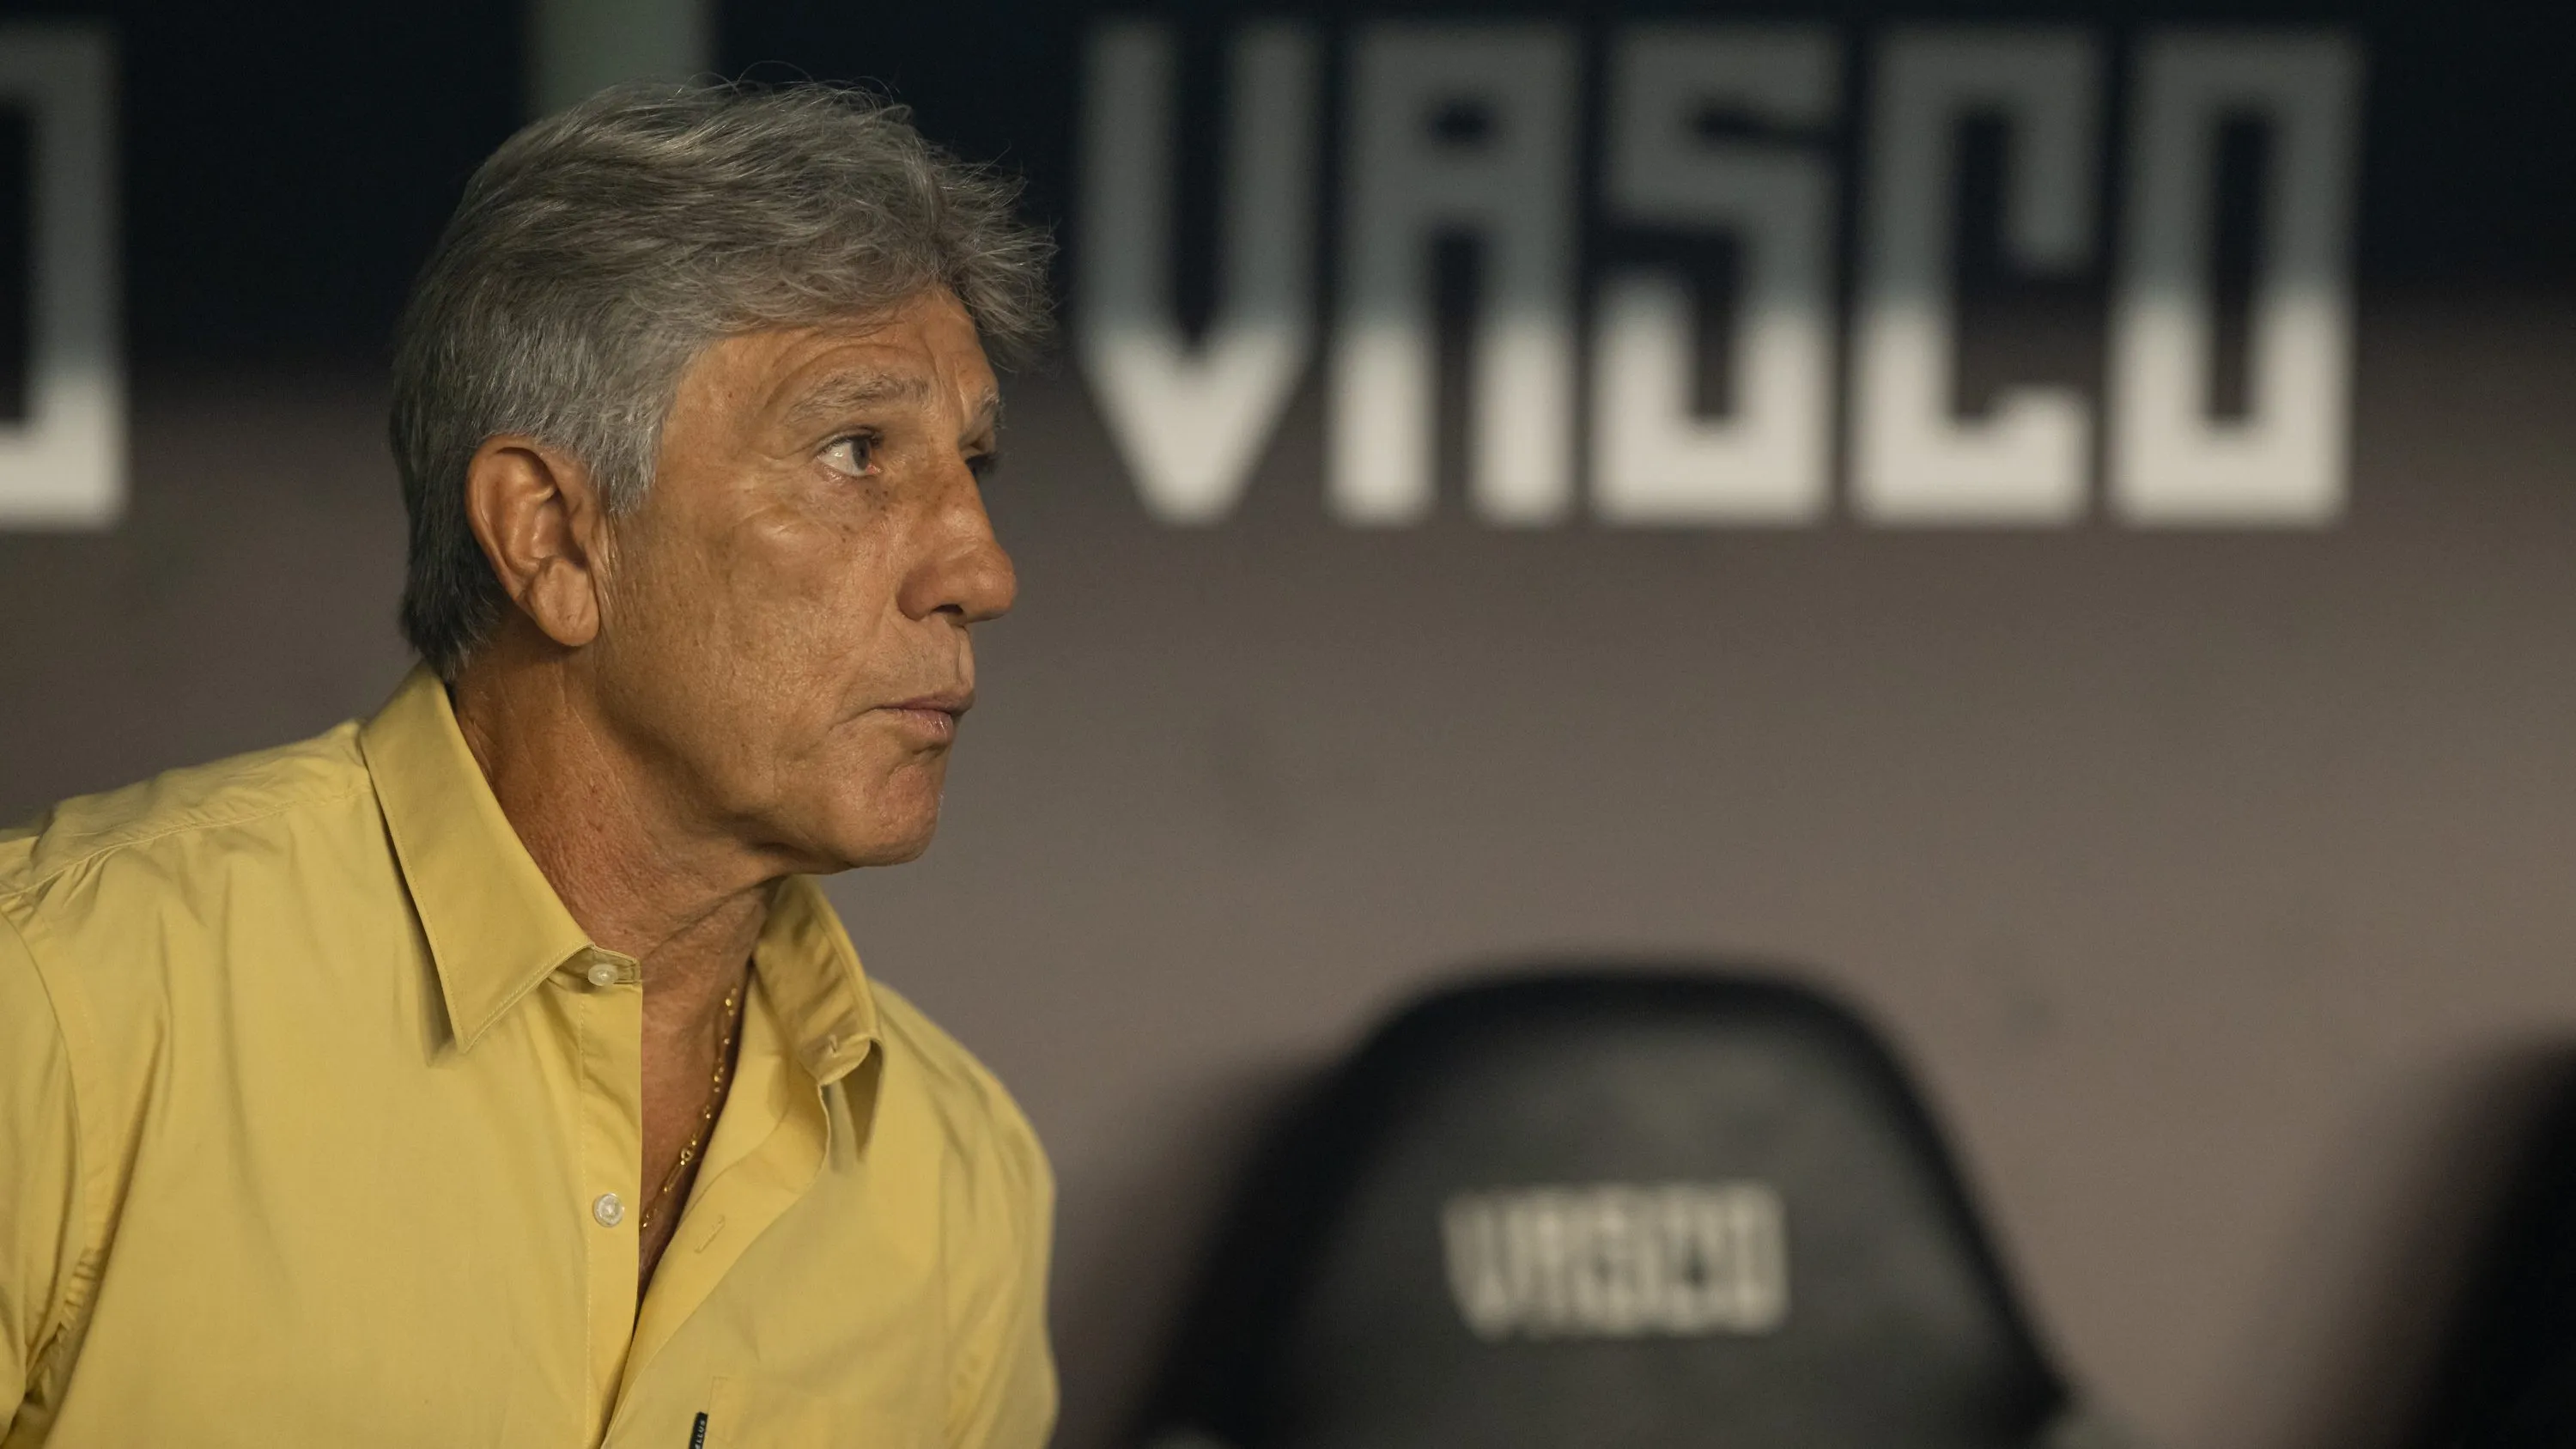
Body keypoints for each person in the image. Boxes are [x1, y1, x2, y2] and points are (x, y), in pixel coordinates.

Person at [0, 82, 1056, 1447]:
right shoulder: (60, 1011)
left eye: (972, 463)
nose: (983, 567)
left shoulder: (959, 1177)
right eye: (857, 452)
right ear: (552, 536)